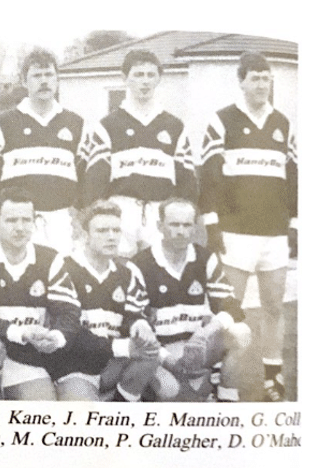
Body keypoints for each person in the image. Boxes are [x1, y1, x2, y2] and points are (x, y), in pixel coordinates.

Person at [199, 52, 297, 402]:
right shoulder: (222, 120)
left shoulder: (283, 123)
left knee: (273, 308)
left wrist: (296, 224)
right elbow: (208, 176)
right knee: (230, 312)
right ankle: (217, 379)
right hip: (235, 232)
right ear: (241, 81)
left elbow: (293, 177)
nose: (262, 84)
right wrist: (211, 222)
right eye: (255, 77)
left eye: (266, 78)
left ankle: (273, 380)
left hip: (272, 233)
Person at [0, 188, 81, 401]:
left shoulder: (50, 259)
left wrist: (57, 337)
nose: (20, 228)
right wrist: (22, 332)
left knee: (41, 412)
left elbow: (69, 311)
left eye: (26, 220)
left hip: (26, 354)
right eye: (11, 220)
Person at [133, 199, 251, 402]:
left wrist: (207, 332)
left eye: (187, 225)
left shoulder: (205, 258)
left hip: (197, 344)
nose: (181, 231)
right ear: (160, 226)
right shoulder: (140, 263)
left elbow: (232, 306)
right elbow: (134, 321)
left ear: (195, 227)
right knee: (172, 394)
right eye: (174, 224)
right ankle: (152, 389)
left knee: (241, 332)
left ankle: (226, 399)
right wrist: (167, 360)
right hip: (162, 351)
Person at [81, 50, 197, 257]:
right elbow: (95, 179)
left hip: (159, 210)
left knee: (157, 274)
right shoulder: (108, 125)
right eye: (138, 75)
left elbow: (187, 180)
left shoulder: (174, 126)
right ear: (125, 78)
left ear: (159, 79)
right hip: (120, 208)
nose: (145, 82)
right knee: (119, 273)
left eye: (150, 75)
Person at [0, 48, 85, 255]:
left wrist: (79, 216)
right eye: (36, 76)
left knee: (60, 280)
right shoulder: (5, 123)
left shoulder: (75, 123)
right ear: (24, 81)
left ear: (57, 79)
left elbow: (86, 175)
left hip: (60, 221)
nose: (44, 81)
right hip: (17, 221)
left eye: (49, 75)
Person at [50, 200, 161, 401]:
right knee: (83, 415)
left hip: (113, 362)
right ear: (85, 235)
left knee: (169, 386)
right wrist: (123, 347)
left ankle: (118, 403)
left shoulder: (127, 272)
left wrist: (140, 324)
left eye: (116, 230)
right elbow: (68, 331)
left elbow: (133, 314)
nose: (111, 237)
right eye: (102, 231)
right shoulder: (64, 268)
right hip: (75, 365)